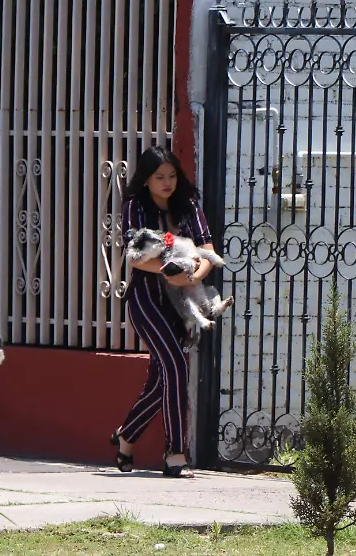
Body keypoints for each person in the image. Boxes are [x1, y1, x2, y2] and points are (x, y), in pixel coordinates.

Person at [110, 144, 216, 478]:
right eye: (159, 177)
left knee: (163, 380)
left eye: (171, 175)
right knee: (176, 366)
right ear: (146, 180)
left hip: (180, 304)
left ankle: (126, 436)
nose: (167, 182)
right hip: (146, 301)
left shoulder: (189, 206)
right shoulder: (135, 207)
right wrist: (172, 271)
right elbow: (136, 256)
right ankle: (175, 454)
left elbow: (207, 248)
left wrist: (194, 277)